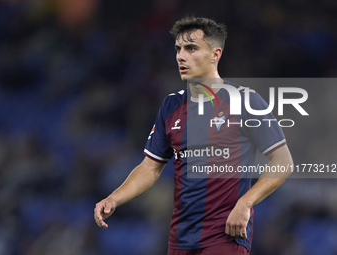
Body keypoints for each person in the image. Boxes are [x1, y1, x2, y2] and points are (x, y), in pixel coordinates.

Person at [94, 16, 293, 255]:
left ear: (215, 54)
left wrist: (245, 203)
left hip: (225, 236)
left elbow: (283, 162)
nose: (181, 56)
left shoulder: (245, 101)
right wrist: (115, 198)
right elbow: (149, 168)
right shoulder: (171, 106)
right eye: (178, 49)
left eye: (191, 48)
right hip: (180, 239)